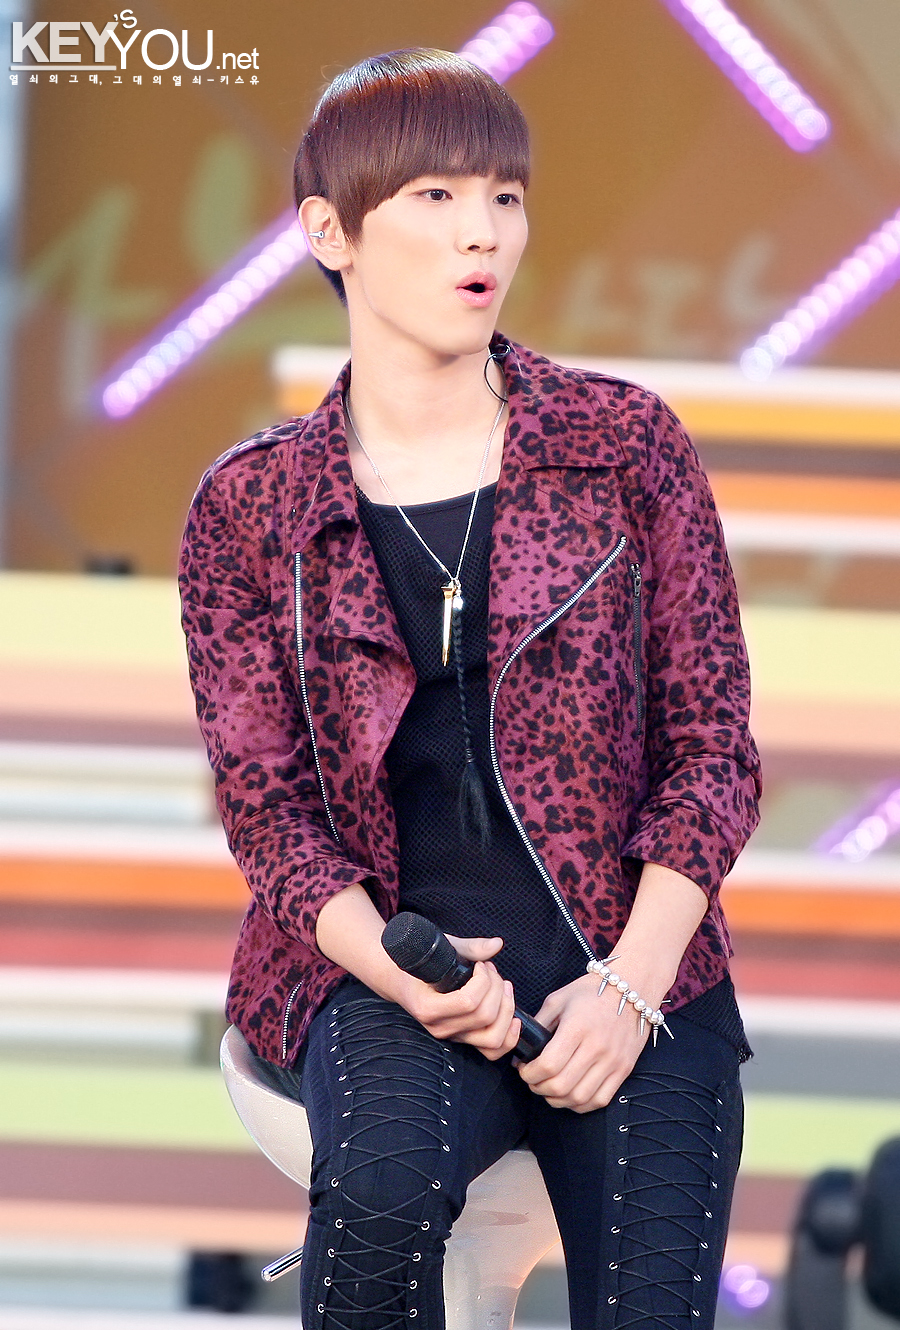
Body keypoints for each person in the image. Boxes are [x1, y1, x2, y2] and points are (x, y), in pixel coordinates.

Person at [179, 47, 762, 1330]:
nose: (481, 233)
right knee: (378, 1210)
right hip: (387, 968)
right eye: (435, 197)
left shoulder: (623, 445)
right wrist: (401, 971)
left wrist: (632, 983)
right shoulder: (252, 504)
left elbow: (716, 750)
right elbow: (267, 810)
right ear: (328, 231)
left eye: (504, 196)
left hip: (629, 962)